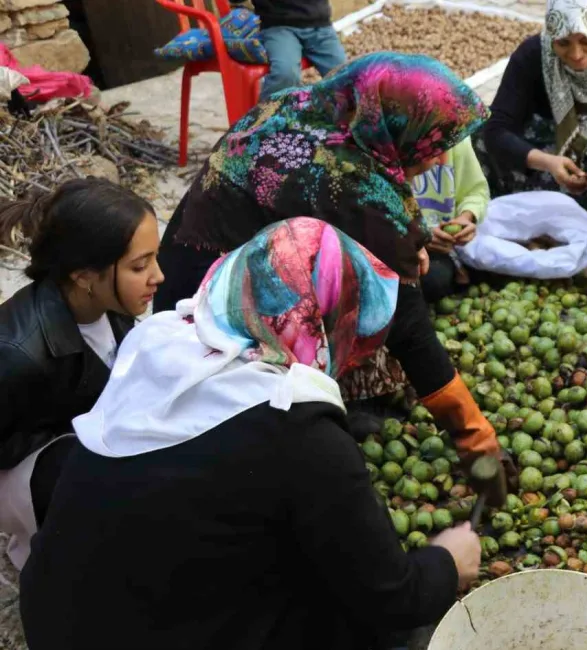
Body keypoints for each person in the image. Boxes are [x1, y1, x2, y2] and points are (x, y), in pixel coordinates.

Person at [21, 218, 482, 650]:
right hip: (150, 634)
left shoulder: (160, 340)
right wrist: (447, 563)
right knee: (378, 624)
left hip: (55, 620)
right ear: (327, 319)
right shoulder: (295, 423)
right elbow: (391, 595)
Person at [153, 53, 507, 482]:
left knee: (397, 275)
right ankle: (319, 416)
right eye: (433, 146)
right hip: (214, 316)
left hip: (190, 272)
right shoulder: (350, 186)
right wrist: (473, 435)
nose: (439, 162)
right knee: (380, 290)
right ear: (395, 125)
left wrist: (412, 240)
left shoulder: (311, 106)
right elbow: (406, 319)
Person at [0, 178, 163, 569]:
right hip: (26, 471)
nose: (157, 276)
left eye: (154, 258)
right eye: (139, 266)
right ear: (84, 275)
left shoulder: (113, 303)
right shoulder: (18, 353)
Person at [476, 0, 587, 247]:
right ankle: (545, 214)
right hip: (549, 152)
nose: (576, 54)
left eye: (586, 41)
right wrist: (547, 162)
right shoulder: (532, 54)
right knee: (477, 132)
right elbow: (497, 127)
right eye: (563, 42)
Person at [412, 137, 488, 303]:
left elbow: (475, 191)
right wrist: (417, 236)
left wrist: (466, 217)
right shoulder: (383, 145)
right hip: (399, 245)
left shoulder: (457, 136)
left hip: (443, 247)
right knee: (429, 281)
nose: (440, 161)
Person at [231, 0, 347, 99]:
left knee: (346, 75)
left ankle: (353, 120)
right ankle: (266, 120)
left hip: (319, 26)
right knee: (285, 74)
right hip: (279, 26)